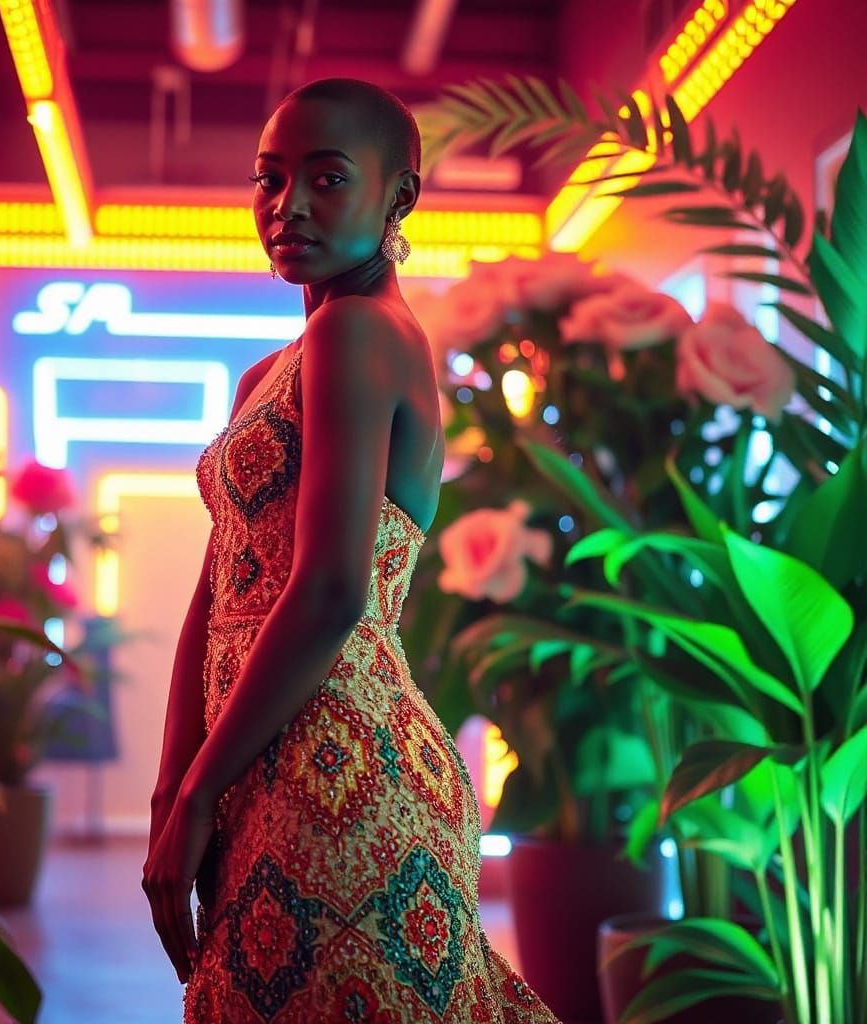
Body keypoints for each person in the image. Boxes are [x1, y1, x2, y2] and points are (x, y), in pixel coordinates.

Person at [142, 77, 560, 1023]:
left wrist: (198, 784)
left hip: (340, 758)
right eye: (268, 180)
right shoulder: (269, 371)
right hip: (259, 754)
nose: (287, 207)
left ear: (399, 196)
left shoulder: (360, 332)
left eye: (327, 179)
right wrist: (177, 781)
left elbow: (331, 591)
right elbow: (215, 595)